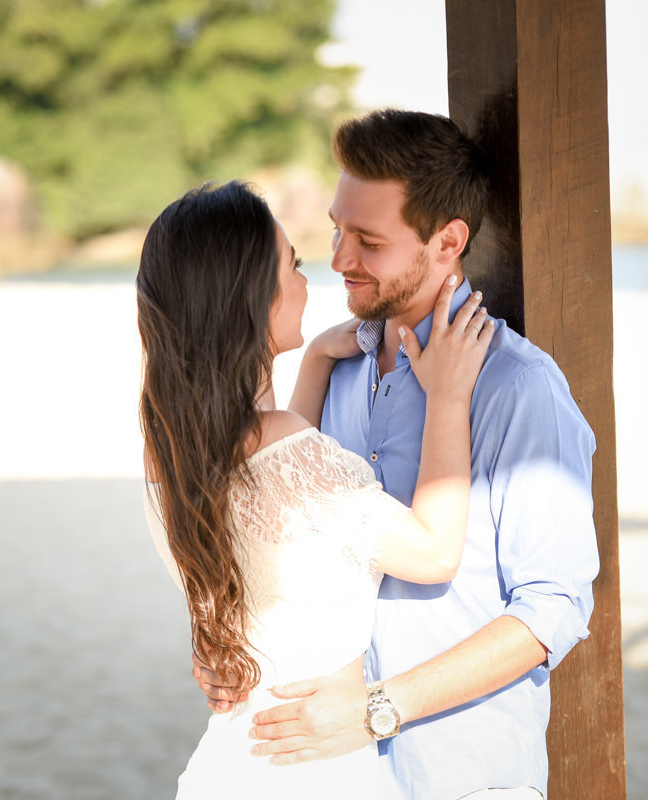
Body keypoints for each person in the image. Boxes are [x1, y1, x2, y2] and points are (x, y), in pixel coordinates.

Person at [192, 110, 601, 799]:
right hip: (324, 775)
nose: (339, 257)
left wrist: (379, 708)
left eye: (368, 241)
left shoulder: (519, 387)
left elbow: (552, 609)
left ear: (448, 242)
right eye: (336, 228)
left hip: (463, 779)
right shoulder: (331, 375)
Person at [137, 180, 496, 799]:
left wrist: (314, 362)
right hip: (312, 760)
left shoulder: (170, 447)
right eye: (293, 265)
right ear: (251, 296)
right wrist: (449, 395)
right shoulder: (283, 449)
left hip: (235, 756)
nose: (312, 278)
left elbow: (277, 486)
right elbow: (434, 553)